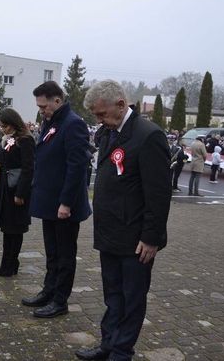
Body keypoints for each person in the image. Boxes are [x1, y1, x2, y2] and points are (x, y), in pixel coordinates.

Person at [75, 80, 171, 361]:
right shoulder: (108, 132)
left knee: (131, 299)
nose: (98, 120)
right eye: (95, 115)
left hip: (135, 239)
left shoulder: (148, 136)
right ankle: (108, 343)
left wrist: (151, 238)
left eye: (102, 114)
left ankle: (121, 351)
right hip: (110, 233)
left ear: (121, 104)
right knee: (112, 295)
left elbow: (159, 194)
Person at [22, 81, 91, 319]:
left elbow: (76, 167)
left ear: (57, 101)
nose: (41, 110)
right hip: (50, 201)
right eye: (40, 107)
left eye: (44, 106)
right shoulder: (52, 122)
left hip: (64, 205)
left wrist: (66, 203)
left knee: (65, 255)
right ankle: (48, 291)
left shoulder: (73, 124)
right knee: (52, 252)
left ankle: (60, 300)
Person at [0, 108, 35, 277]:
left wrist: (21, 193)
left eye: (5, 126)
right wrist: (2, 143)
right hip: (6, 189)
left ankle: (12, 263)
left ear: (13, 123)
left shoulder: (25, 140)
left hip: (17, 190)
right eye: (1, 126)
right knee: (6, 229)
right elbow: (0, 160)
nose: (3, 129)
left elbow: (28, 169)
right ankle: (5, 263)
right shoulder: (10, 140)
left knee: (15, 229)